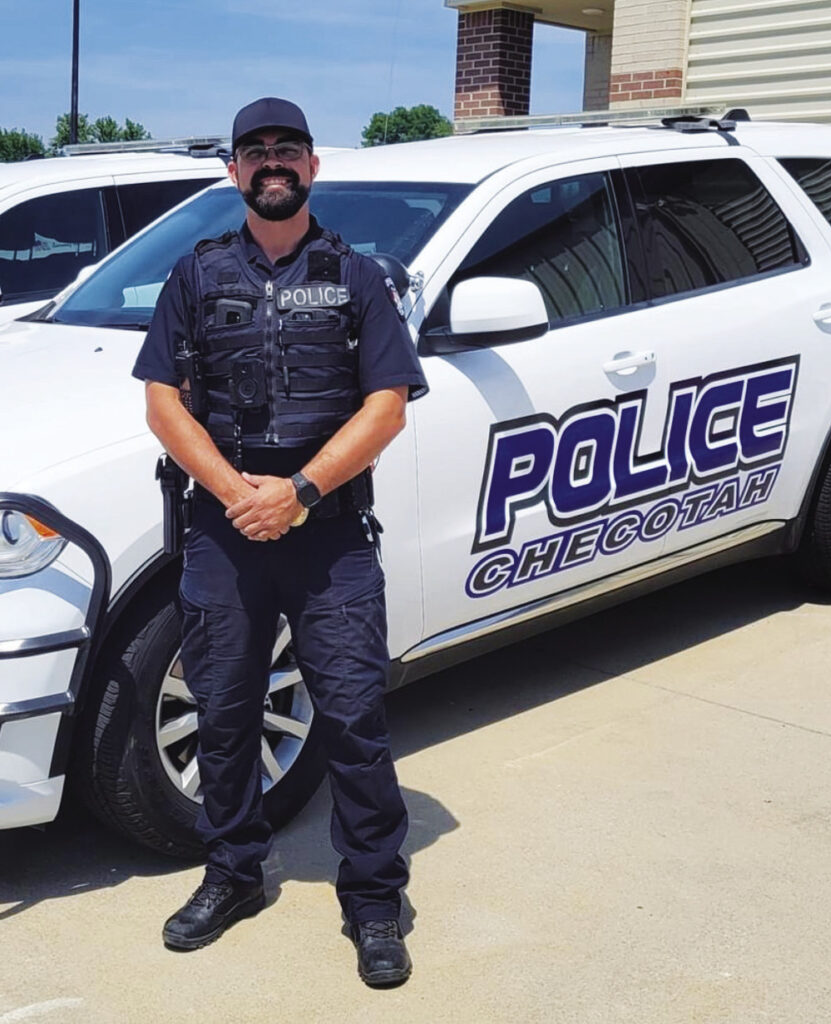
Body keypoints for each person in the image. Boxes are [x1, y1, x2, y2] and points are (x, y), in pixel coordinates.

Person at [132, 96, 428, 987]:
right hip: (227, 531)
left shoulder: (357, 275)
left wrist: (299, 491)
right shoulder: (195, 274)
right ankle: (233, 874)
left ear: (311, 167)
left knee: (351, 719)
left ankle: (373, 900)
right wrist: (236, 494)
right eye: (254, 151)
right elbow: (160, 399)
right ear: (233, 171)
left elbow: (386, 405)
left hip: (326, 531)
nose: (272, 162)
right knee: (224, 713)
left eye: (287, 150)